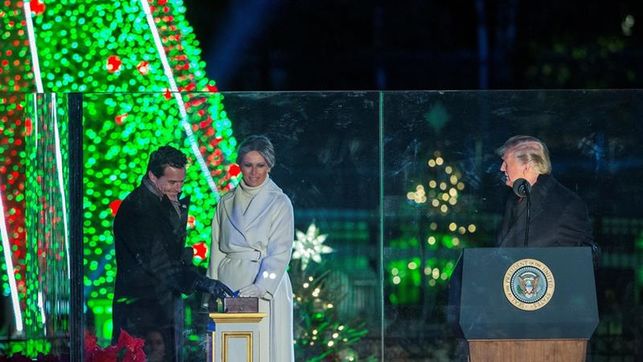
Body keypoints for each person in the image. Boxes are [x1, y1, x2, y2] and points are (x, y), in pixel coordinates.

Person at [112, 145, 232, 361]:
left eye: (181, 182)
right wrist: (200, 282)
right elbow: (158, 260)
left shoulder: (162, 202)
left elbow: (172, 254)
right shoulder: (138, 208)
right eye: (172, 182)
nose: (178, 188)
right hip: (141, 310)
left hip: (158, 306)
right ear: (152, 176)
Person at [207, 135, 295, 362]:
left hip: (265, 287)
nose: (254, 172)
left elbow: (281, 252)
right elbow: (216, 249)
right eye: (248, 165)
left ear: (269, 166)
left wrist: (261, 286)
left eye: (260, 165)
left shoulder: (280, 202)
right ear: (239, 166)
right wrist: (212, 286)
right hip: (229, 283)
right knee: (231, 351)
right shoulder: (225, 202)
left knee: (264, 348)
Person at [496, 135, 596, 253]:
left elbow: (584, 258)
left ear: (528, 165)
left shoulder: (567, 204)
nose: (502, 168)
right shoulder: (513, 199)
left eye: (506, 162)